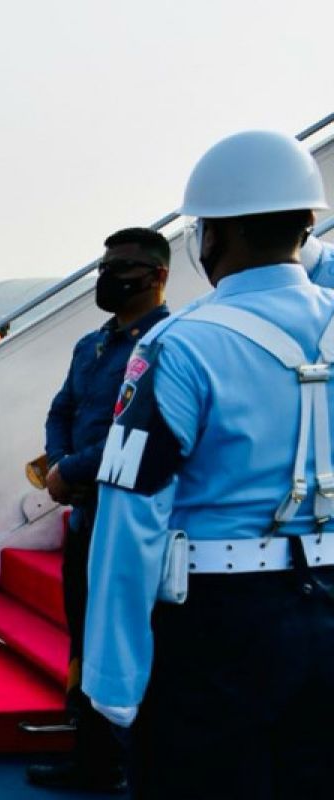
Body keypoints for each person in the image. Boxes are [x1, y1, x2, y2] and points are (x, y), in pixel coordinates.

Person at [83, 130, 334, 797]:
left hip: (217, 631)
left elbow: (131, 519)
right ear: (307, 225)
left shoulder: (178, 346)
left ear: (214, 235)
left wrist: (113, 685)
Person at [26, 228, 171, 794]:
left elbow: (133, 431)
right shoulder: (91, 345)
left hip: (129, 520)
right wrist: (61, 465)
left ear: (158, 275)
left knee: (128, 640)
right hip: (85, 516)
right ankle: (90, 752)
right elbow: (63, 409)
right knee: (85, 638)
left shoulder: (167, 342)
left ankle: (125, 756)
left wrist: (73, 471)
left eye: (125, 266)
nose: (110, 276)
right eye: (106, 265)